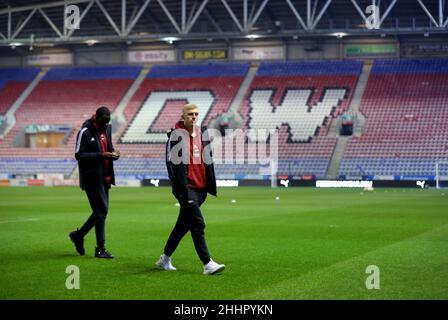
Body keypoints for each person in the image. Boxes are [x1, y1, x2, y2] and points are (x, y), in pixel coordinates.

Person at [155, 103, 225, 275]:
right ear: (183, 116)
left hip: (201, 189)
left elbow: (207, 159)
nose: (194, 117)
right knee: (197, 224)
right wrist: (181, 189)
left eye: (196, 114)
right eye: (190, 114)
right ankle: (207, 264)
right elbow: (172, 165)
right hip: (187, 189)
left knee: (183, 225)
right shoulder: (176, 136)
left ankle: (164, 259)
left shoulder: (203, 133)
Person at [69, 106, 120, 259]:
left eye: (108, 122)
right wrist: (101, 155)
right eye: (104, 122)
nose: (106, 125)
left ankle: (79, 235)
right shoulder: (85, 132)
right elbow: (79, 155)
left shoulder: (106, 129)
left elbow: (109, 147)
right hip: (92, 179)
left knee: (100, 212)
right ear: (96, 117)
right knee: (101, 211)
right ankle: (100, 248)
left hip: (106, 178)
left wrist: (114, 153)